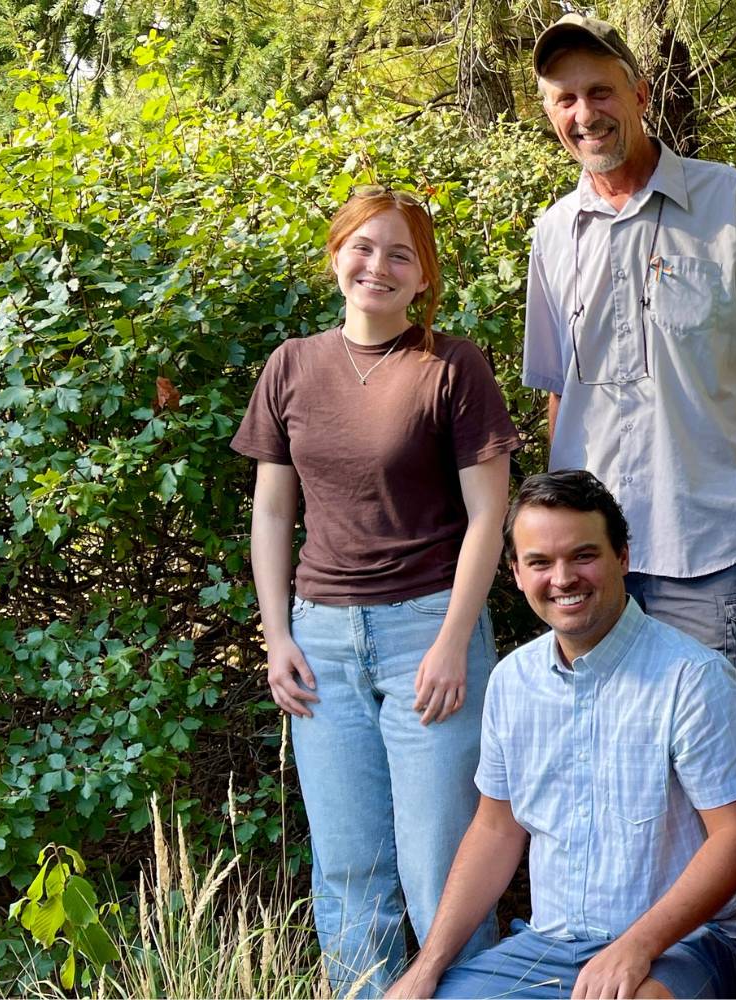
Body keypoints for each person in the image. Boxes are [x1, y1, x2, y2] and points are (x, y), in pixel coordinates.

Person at [234, 186, 517, 995]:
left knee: (441, 867)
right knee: (349, 869)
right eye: (363, 247)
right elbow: (272, 510)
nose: (378, 266)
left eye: (401, 255)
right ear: (335, 256)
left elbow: (488, 518)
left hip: (427, 632)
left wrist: (454, 641)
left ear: (423, 277)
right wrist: (276, 635)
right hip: (318, 642)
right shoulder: (292, 364)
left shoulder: (452, 366)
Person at [521, 13, 736, 740]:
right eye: (565, 100)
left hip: (715, 549)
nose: (585, 114)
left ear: (641, 93)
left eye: (600, 91)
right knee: (620, 763)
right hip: (591, 566)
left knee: (735, 767)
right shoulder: (553, 233)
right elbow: (561, 394)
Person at [388, 470, 736, 1000]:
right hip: (549, 944)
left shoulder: (695, 681)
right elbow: (496, 831)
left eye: (583, 556)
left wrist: (637, 946)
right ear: (517, 573)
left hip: (686, 944)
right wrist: (428, 965)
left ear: (623, 557)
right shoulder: (510, 683)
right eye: (540, 562)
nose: (562, 578)